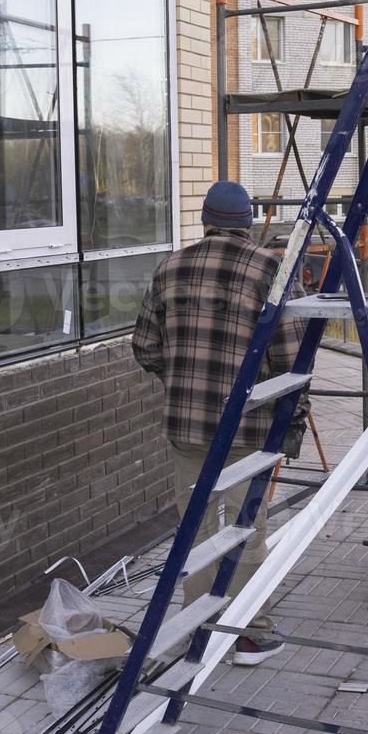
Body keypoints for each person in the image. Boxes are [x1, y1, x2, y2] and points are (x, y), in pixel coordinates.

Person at [133, 181, 306, 666]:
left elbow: (144, 347)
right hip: (246, 429)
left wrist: (184, 378)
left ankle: (194, 630)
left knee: (199, 526)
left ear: (206, 220)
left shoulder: (170, 267)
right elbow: (291, 353)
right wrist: (291, 411)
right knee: (245, 526)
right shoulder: (271, 267)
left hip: (187, 427)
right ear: (247, 223)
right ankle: (250, 633)